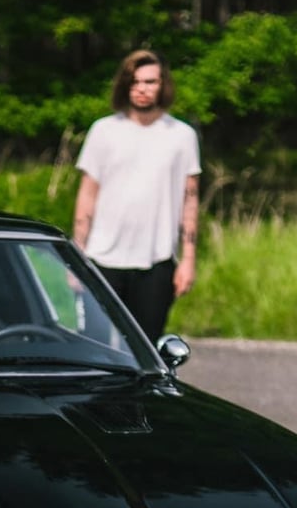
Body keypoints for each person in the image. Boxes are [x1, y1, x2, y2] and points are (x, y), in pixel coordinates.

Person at [73, 49, 201, 344]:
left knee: (145, 348)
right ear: (125, 85)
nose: (142, 89)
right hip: (102, 258)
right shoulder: (104, 131)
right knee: (94, 346)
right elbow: (87, 196)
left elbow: (190, 200)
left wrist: (188, 260)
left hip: (155, 261)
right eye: (135, 82)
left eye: (150, 82)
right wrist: (77, 259)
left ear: (162, 85)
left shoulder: (181, 136)